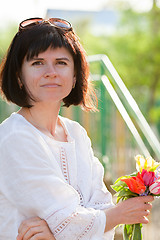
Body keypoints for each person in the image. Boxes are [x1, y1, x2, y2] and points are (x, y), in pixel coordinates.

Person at [0, 17, 154, 240]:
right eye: (37, 63)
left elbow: (99, 206)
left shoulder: (76, 134)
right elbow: (68, 221)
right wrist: (117, 215)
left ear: (74, 76)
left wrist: (59, 233)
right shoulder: (15, 138)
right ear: (19, 76)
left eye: (61, 62)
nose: (51, 71)